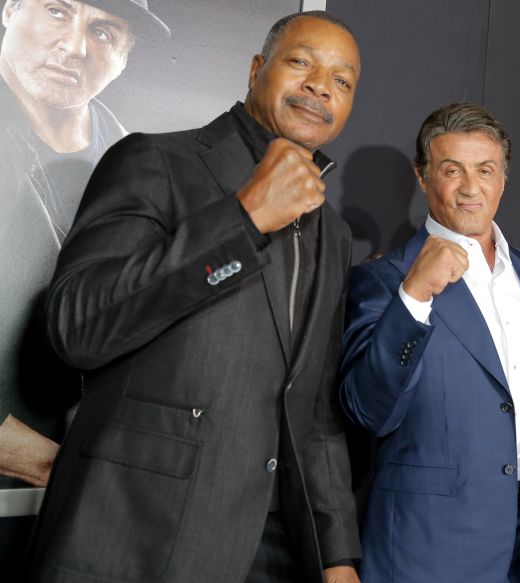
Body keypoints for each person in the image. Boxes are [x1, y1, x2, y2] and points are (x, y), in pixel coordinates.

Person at [26, 11, 361, 583]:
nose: (319, 86)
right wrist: (244, 219)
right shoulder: (155, 160)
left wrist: (336, 554)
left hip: (273, 550)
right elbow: (78, 328)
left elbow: (312, 408)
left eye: (342, 79)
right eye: (301, 62)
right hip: (137, 536)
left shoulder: (334, 232)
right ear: (257, 69)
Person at [341, 102, 520, 583]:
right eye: (451, 169)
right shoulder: (382, 280)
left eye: (485, 169)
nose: (471, 187)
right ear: (422, 176)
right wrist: (413, 298)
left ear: (504, 178)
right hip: (428, 546)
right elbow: (367, 412)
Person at [0, 0, 169, 487]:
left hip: (95, 497)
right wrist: (50, 465)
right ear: (10, 8)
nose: (74, 47)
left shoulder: (144, 171)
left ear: (124, 57)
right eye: (57, 10)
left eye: (103, 31)